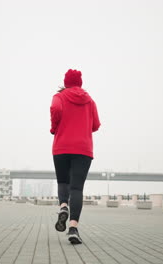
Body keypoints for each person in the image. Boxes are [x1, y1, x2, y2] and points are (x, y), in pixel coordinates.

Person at [50, 69, 101, 244]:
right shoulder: (90, 101)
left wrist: (54, 127)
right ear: (80, 82)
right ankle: (73, 228)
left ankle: (63, 206)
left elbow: (55, 109)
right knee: (77, 189)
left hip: (62, 147)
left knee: (63, 182)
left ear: (66, 82)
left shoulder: (59, 97)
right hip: (83, 149)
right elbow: (96, 125)